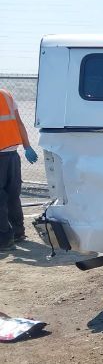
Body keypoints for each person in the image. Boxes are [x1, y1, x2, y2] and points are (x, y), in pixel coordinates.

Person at [0, 89, 38, 251]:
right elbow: (19, 122)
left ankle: (4, 237)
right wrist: (27, 146)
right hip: (12, 154)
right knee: (13, 195)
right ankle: (17, 232)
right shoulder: (6, 94)